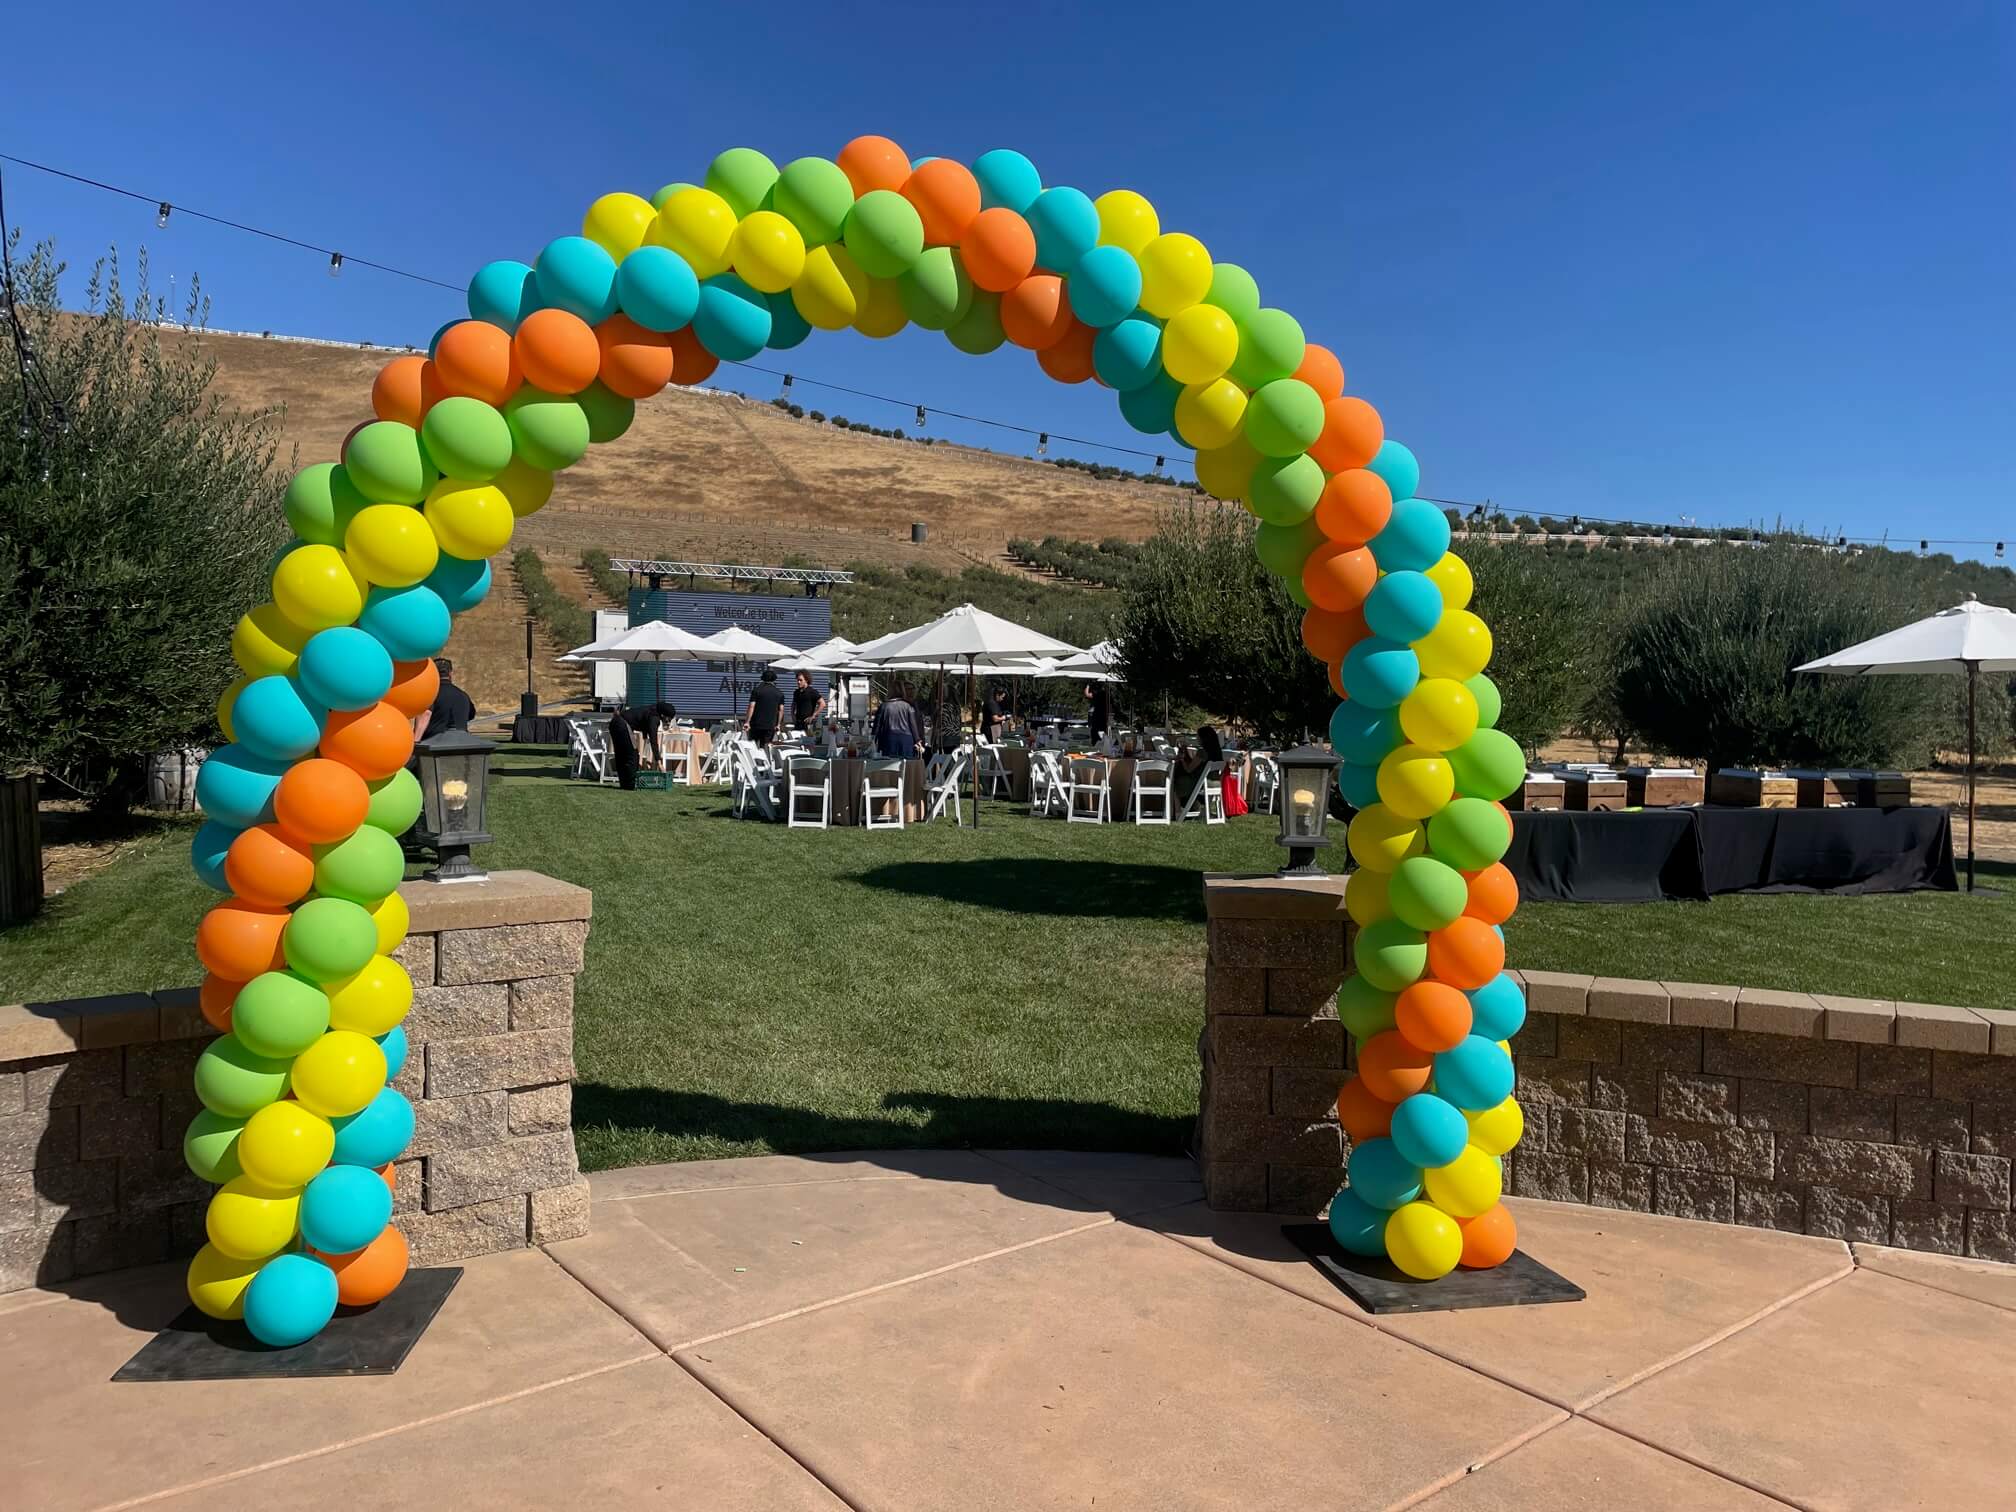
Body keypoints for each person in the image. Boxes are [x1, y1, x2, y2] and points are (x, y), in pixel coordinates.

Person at [414, 658, 474, 740]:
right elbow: (470, 715)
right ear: (450, 673)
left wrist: (416, 741)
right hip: (462, 743)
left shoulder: (431, 694)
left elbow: (425, 714)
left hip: (433, 744)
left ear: (433, 673)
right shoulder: (463, 695)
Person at [1174, 725, 1225, 813]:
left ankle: (1177, 813)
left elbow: (1189, 769)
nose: (1197, 738)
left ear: (1203, 738)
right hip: (1216, 781)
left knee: (1174, 784)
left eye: (1198, 736)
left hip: (1200, 783)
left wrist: (1181, 759)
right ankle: (1192, 807)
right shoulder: (1216, 751)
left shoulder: (1202, 752)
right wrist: (1185, 751)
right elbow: (1194, 764)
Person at [873, 681, 924, 758]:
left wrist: (873, 740)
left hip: (887, 739)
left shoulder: (883, 706)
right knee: (905, 765)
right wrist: (917, 740)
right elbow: (913, 726)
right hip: (906, 741)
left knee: (888, 766)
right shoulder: (908, 706)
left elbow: (877, 727)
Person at [744, 669, 786, 745]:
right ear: (774, 679)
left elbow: (751, 706)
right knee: (766, 747)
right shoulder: (779, 693)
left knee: (753, 746)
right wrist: (778, 724)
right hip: (770, 725)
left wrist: (747, 722)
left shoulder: (756, 691)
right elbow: (781, 710)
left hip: (756, 724)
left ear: (762, 679)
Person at [607, 706, 640, 790]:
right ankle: (630, 783)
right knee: (632, 756)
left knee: (620, 757)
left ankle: (624, 783)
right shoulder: (623, 719)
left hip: (616, 728)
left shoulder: (614, 721)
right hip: (622, 728)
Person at [1086, 680, 1112, 745]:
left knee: (1095, 734)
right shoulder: (1107, 695)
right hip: (1104, 717)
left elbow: (1087, 694)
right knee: (1104, 735)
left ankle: (1095, 745)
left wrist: (1088, 685)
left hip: (1097, 717)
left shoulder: (1096, 694)